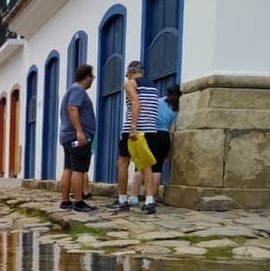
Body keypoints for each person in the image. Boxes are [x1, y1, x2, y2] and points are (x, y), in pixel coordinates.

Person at [107, 61, 160, 214]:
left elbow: (136, 103)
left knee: (123, 162)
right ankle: (150, 201)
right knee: (146, 164)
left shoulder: (130, 83)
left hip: (135, 130)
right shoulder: (152, 85)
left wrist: (133, 127)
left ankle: (122, 200)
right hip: (151, 129)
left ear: (130, 73)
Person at [131, 84, 181, 204]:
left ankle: (133, 196)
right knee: (157, 169)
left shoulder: (157, 102)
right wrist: (169, 149)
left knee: (141, 166)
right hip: (164, 137)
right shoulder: (176, 108)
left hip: (150, 133)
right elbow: (171, 130)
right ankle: (151, 198)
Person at [58, 64, 98, 213]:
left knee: (68, 168)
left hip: (67, 135)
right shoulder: (78, 90)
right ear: (87, 76)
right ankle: (79, 202)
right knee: (79, 169)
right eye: (92, 77)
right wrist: (80, 132)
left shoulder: (71, 89)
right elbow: (73, 109)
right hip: (77, 136)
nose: (92, 80)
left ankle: (65, 201)